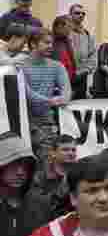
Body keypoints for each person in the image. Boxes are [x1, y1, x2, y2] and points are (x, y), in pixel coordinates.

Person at [22, 30, 71, 161]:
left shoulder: (57, 66)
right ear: (33, 44)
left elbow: (67, 92)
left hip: (46, 122)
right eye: (46, 43)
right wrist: (50, 101)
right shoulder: (20, 65)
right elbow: (26, 92)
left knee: (47, 162)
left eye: (52, 43)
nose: (51, 46)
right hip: (23, 120)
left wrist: (62, 98)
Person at [27, 135, 77, 221]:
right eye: (65, 150)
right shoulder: (39, 178)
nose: (71, 153)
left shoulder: (80, 174)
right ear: (53, 153)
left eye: (73, 150)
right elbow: (39, 206)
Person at [67, 4, 96, 100]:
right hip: (65, 77)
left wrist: (84, 70)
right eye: (77, 13)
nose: (81, 15)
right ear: (70, 15)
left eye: (83, 14)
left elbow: (93, 57)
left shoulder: (88, 35)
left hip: (82, 79)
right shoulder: (65, 33)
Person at [51, 16, 78, 97]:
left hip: (67, 84)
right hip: (55, 87)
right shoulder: (50, 43)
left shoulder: (67, 42)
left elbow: (72, 64)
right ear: (59, 26)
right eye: (68, 27)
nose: (70, 30)